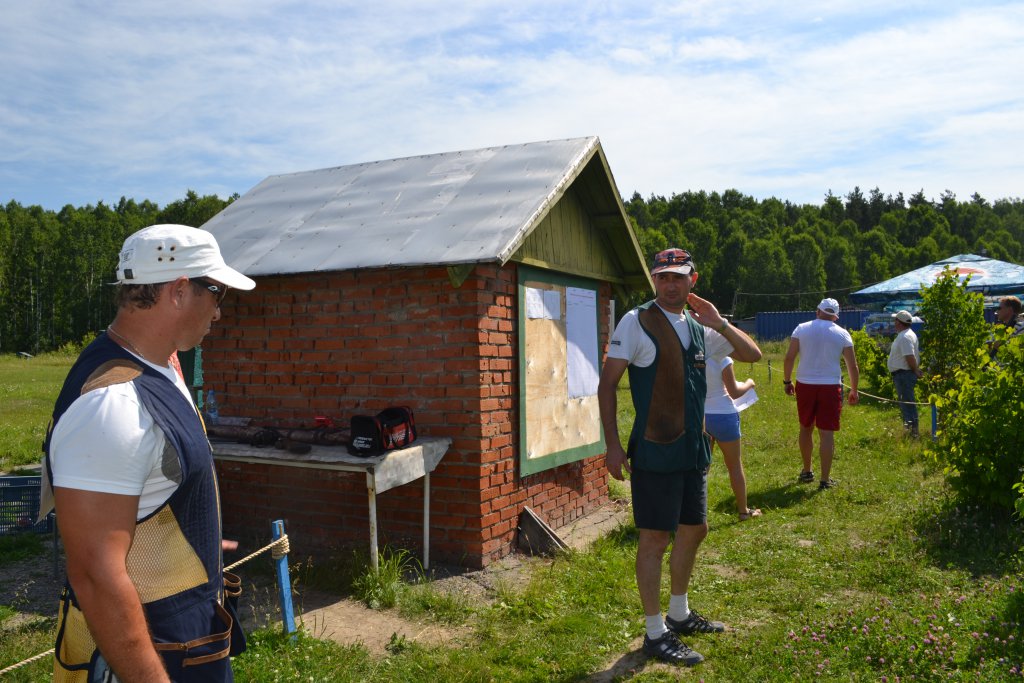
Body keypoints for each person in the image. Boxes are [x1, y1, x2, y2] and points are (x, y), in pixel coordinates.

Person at [39, 224, 256, 682]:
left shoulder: (158, 366)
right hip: (149, 660)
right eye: (216, 292)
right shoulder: (112, 405)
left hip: (185, 641)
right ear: (178, 291)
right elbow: (96, 575)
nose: (219, 311)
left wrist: (185, 541)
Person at [598, 248, 762, 666]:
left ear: (693, 280)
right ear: (655, 280)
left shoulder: (698, 325)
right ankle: (655, 633)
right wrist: (613, 445)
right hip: (655, 450)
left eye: (678, 277)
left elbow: (753, 355)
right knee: (655, 538)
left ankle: (679, 613)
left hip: (693, 448)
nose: (670, 284)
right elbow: (607, 384)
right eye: (663, 277)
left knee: (696, 528)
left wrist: (719, 321)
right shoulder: (637, 321)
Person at [782, 298, 859, 491]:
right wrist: (854, 390)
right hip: (830, 386)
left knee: (805, 427)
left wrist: (787, 381)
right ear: (836, 316)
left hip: (805, 384)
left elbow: (789, 357)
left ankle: (807, 470)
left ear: (818, 311)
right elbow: (852, 366)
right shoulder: (842, 333)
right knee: (826, 433)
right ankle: (825, 479)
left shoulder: (801, 328)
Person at [705, 356, 761, 521]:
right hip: (724, 415)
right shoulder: (723, 358)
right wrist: (749, 383)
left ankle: (695, 514)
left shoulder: (693, 354)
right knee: (735, 465)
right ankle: (743, 511)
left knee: (702, 468)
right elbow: (734, 392)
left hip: (701, 416)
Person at [887, 310, 922, 437]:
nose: (894, 322)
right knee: (906, 402)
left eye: (895, 320)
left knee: (907, 403)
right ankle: (911, 429)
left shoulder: (905, 337)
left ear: (899, 322)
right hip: (903, 374)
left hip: (904, 375)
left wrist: (915, 370)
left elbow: (909, 356)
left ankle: (913, 431)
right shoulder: (906, 334)